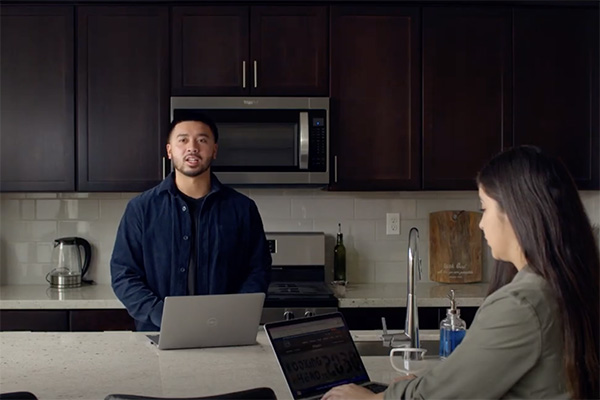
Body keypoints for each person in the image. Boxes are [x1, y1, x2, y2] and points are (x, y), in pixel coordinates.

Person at [323, 146, 599, 400]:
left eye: (484, 208)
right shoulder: (565, 284)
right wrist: (428, 383)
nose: (480, 224)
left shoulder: (523, 302)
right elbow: (470, 380)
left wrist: (374, 399)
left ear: (515, 213)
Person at [110, 113, 272, 331]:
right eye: (183, 140)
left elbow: (258, 270)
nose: (192, 147)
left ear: (214, 150)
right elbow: (124, 274)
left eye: (202, 140)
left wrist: (233, 314)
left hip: (225, 334)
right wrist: (162, 315)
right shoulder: (141, 209)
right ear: (169, 151)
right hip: (158, 334)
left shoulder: (242, 209)